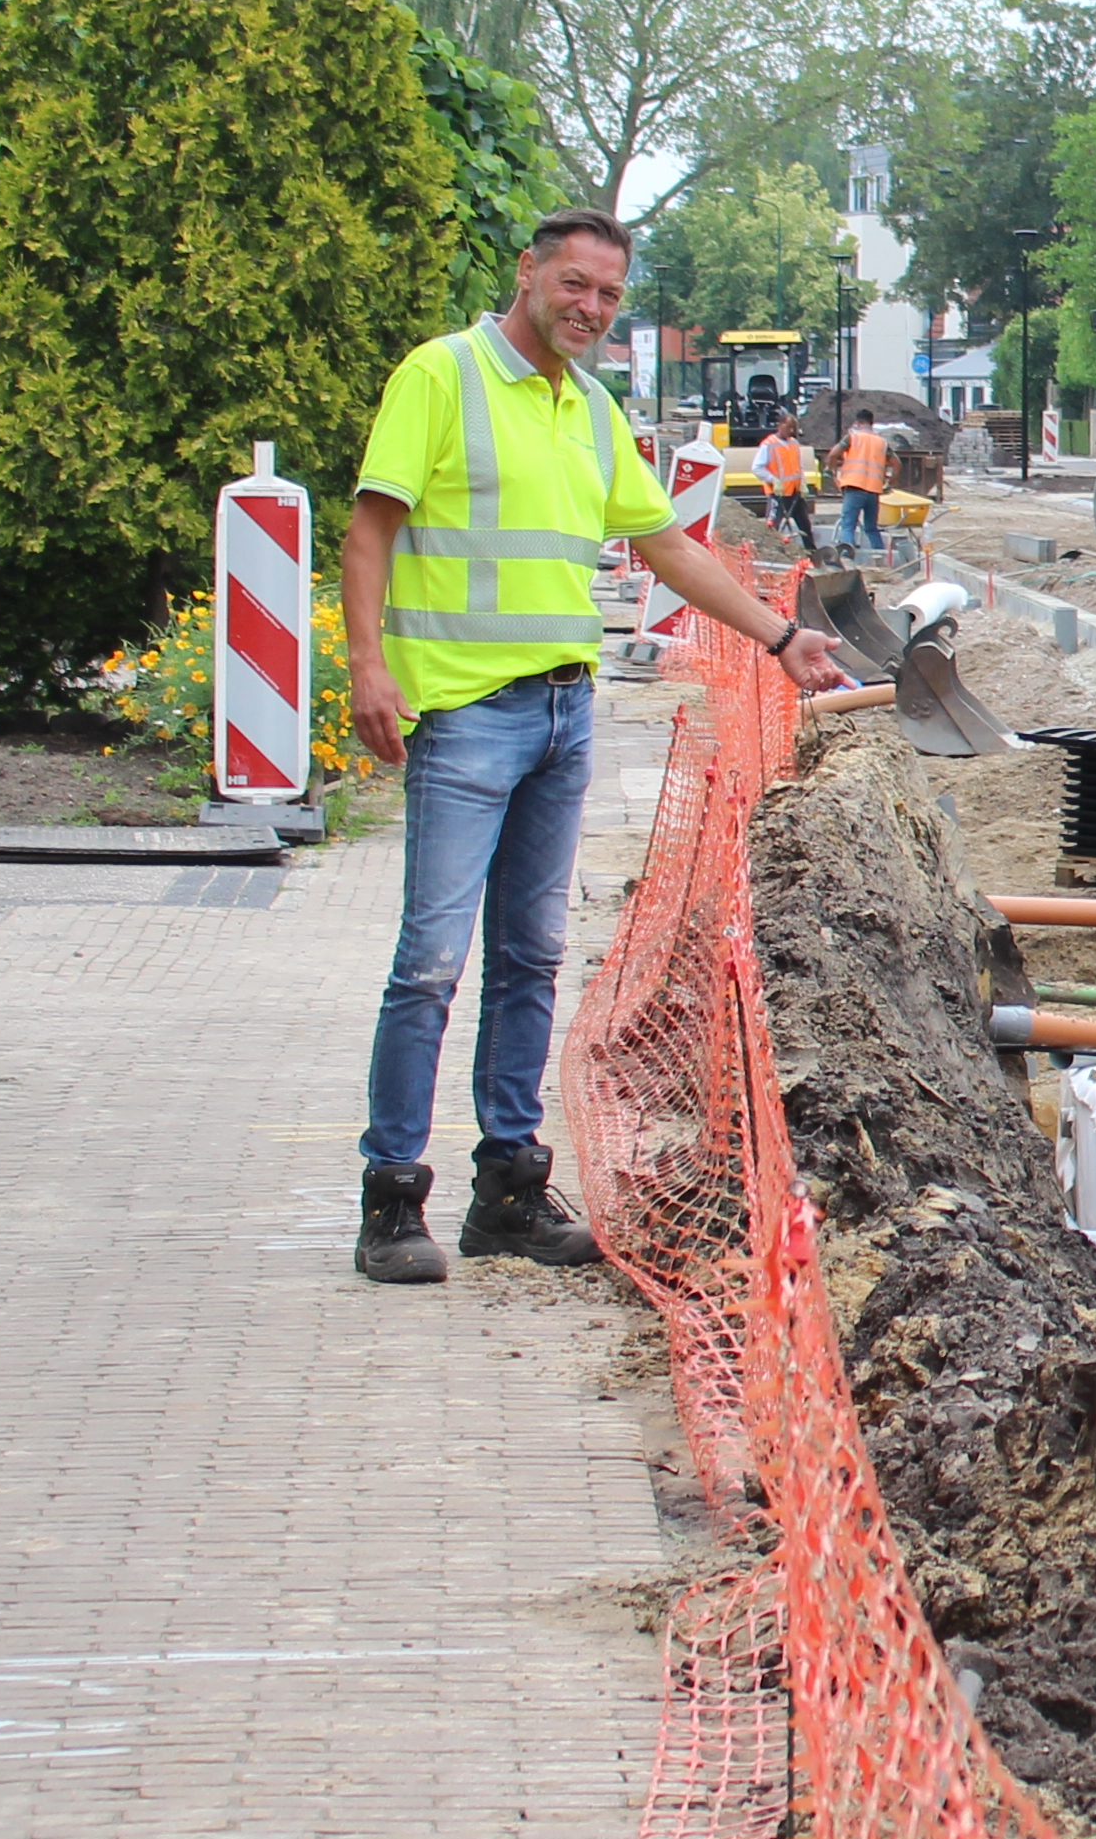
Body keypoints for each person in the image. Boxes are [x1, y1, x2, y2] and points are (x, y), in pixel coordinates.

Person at [341, 213, 851, 1283]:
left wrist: (776, 636)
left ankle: (510, 1192)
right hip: (465, 713)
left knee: (532, 958)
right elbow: (372, 527)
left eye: (609, 297)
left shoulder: (589, 407)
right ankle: (393, 1199)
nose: (590, 308)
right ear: (527, 275)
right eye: (575, 285)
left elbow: (664, 543)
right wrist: (367, 666)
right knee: (432, 963)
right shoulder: (443, 378)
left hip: (564, 715)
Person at [833, 410, 893, 555]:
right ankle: (880, 555)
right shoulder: (882, 442)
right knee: (871, 527)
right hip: (873, 490)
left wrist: (833, 473)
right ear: (872, 423)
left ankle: (848, 556)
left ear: (857, 423)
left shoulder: (852, 438)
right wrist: (889, 483)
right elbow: (897, 464)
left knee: (848, 526)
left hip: (854, 487)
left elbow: (833, 454)